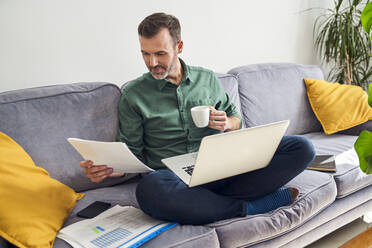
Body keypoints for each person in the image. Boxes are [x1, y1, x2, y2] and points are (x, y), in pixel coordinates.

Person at [80, 12, 315, 225]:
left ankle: (208, 204)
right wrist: (112, 169)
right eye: (145, 54)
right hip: (173, 178)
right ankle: (248, 205)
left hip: (222, 165)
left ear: (179, 46)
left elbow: (235, 119)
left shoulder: (207, 79)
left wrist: (227, 122)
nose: (152, 63)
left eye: (160, 54)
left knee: (301, 147)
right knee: (149, 190)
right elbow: (132, 151)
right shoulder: (134, 94)